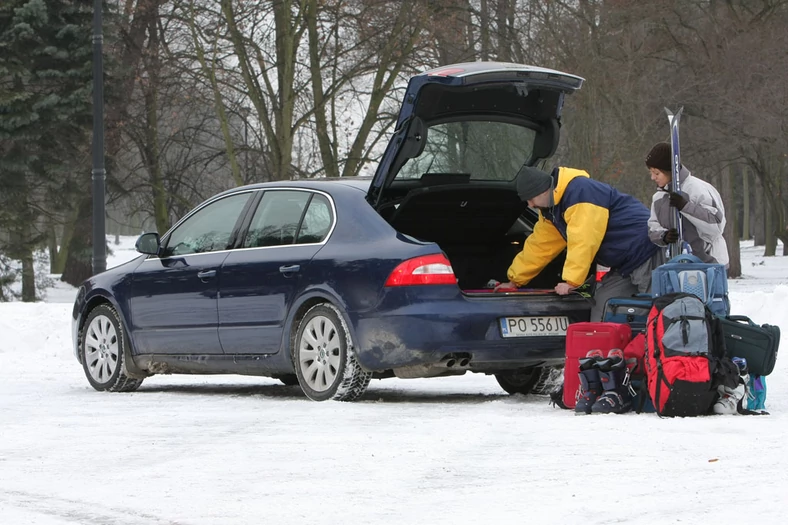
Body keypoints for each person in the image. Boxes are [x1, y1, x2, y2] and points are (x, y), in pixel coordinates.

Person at [495, 165, 661, 321]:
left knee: (655, 310)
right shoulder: (552, 210)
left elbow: (584, 239)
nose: (531, 205)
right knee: (603, 306)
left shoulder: (581, 192)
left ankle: (659, 348)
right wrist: (514, 281)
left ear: (544, 189)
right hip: (623, 263)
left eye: (531, 198)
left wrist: (571, 282)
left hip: (645, 251)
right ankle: (600, 351)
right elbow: (540, 247)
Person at [644, 142, 728, 265]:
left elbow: (716, 225)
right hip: (676, 265)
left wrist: (685, 206)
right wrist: (664, 236)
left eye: (656, 173)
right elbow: (653, 228)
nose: (652, 177)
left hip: (708, 264)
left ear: (670, 171)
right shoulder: (658, 198)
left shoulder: (697, 189)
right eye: (651, 172)